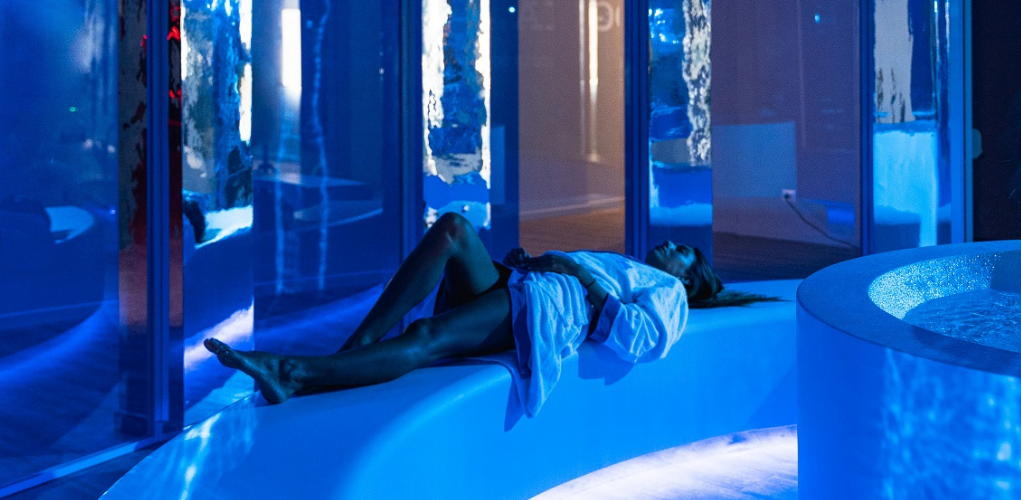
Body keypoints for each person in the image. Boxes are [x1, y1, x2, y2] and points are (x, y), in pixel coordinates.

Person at [205, 213, 775, 411]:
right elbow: (581, 277)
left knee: (429, 334)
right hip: (532, 284)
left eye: (684, 252)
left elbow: (637, 337)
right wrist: (542, 263)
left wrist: (574, 274)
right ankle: (356, 349)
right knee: (453, 229)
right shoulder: (637, 268)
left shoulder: (669, 293)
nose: (672, 245)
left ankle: (293, 373)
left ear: (689, 277)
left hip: (549, 309)